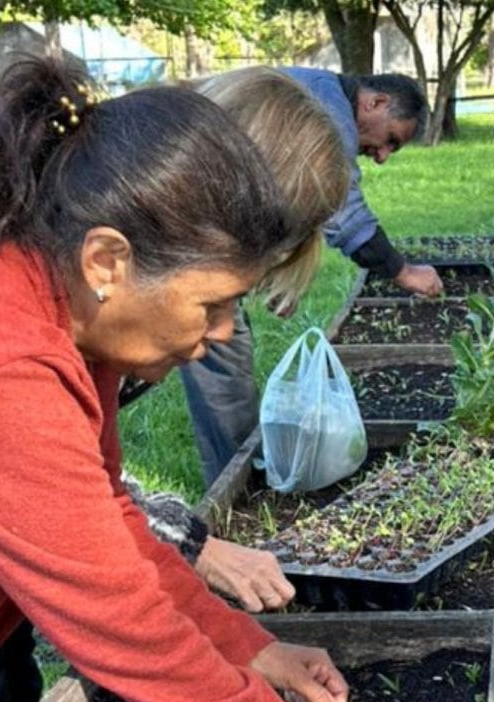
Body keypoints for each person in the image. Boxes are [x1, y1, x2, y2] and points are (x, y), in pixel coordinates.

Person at [0, 57, 438, 702]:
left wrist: (248, 649)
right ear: (111, 259)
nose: (222, 332)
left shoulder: (62, 293)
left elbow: (109, 522)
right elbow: (115, 619)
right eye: (212, 304)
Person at [181, 67, 443, 486]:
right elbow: (341, 209)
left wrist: (274, 274)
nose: (382, 156)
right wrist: (401, 270)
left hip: (192, 232)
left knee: (221, 340)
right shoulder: (330, 113)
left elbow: (274, 199)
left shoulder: (319, 89)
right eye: (391, 138)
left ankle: (240, 478)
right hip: (181, 238)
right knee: (218, 345)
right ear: (375, 102)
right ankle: (236, 487)